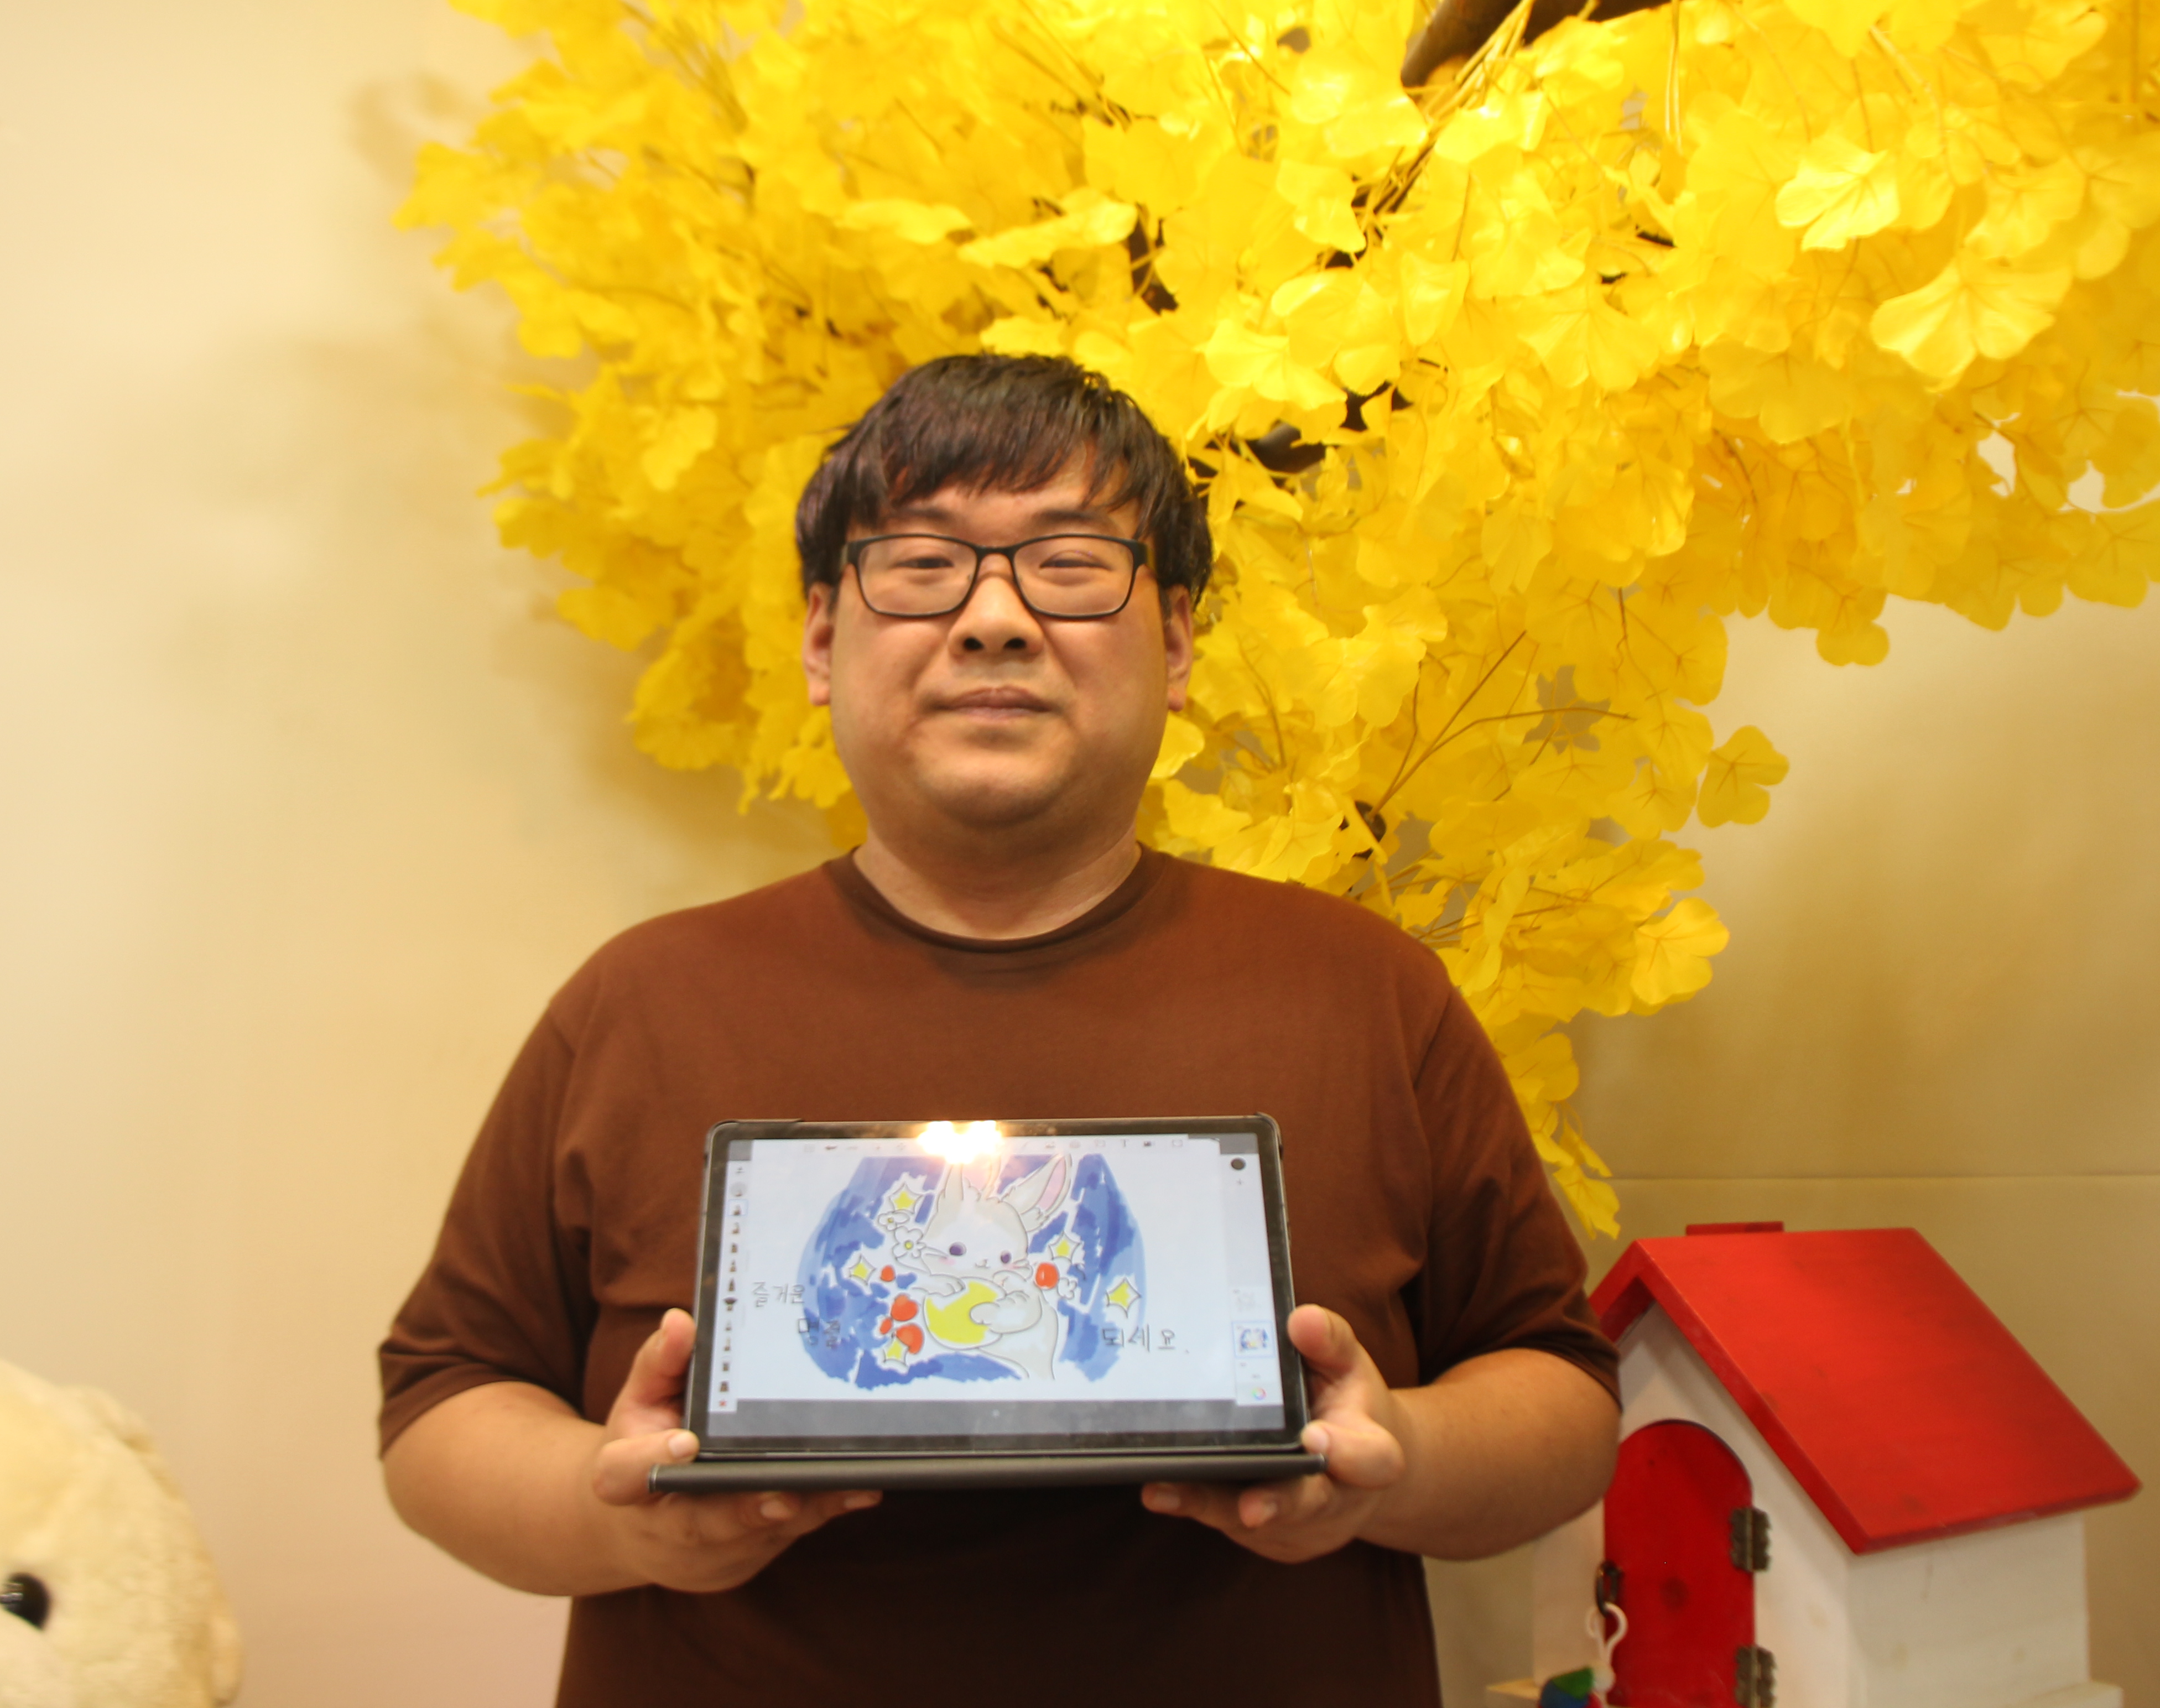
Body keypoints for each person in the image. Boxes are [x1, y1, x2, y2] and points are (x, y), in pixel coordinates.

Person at [378, 354, 1620, 1706]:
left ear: (1178, 643)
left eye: (1070, 566)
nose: (993, 621)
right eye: (921, 567)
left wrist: (1401, 1460)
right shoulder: (642, 1002)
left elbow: (1561, 1394)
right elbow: (442, 1402)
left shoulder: (1365, 991)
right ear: (820, 640)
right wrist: (614, 1513)